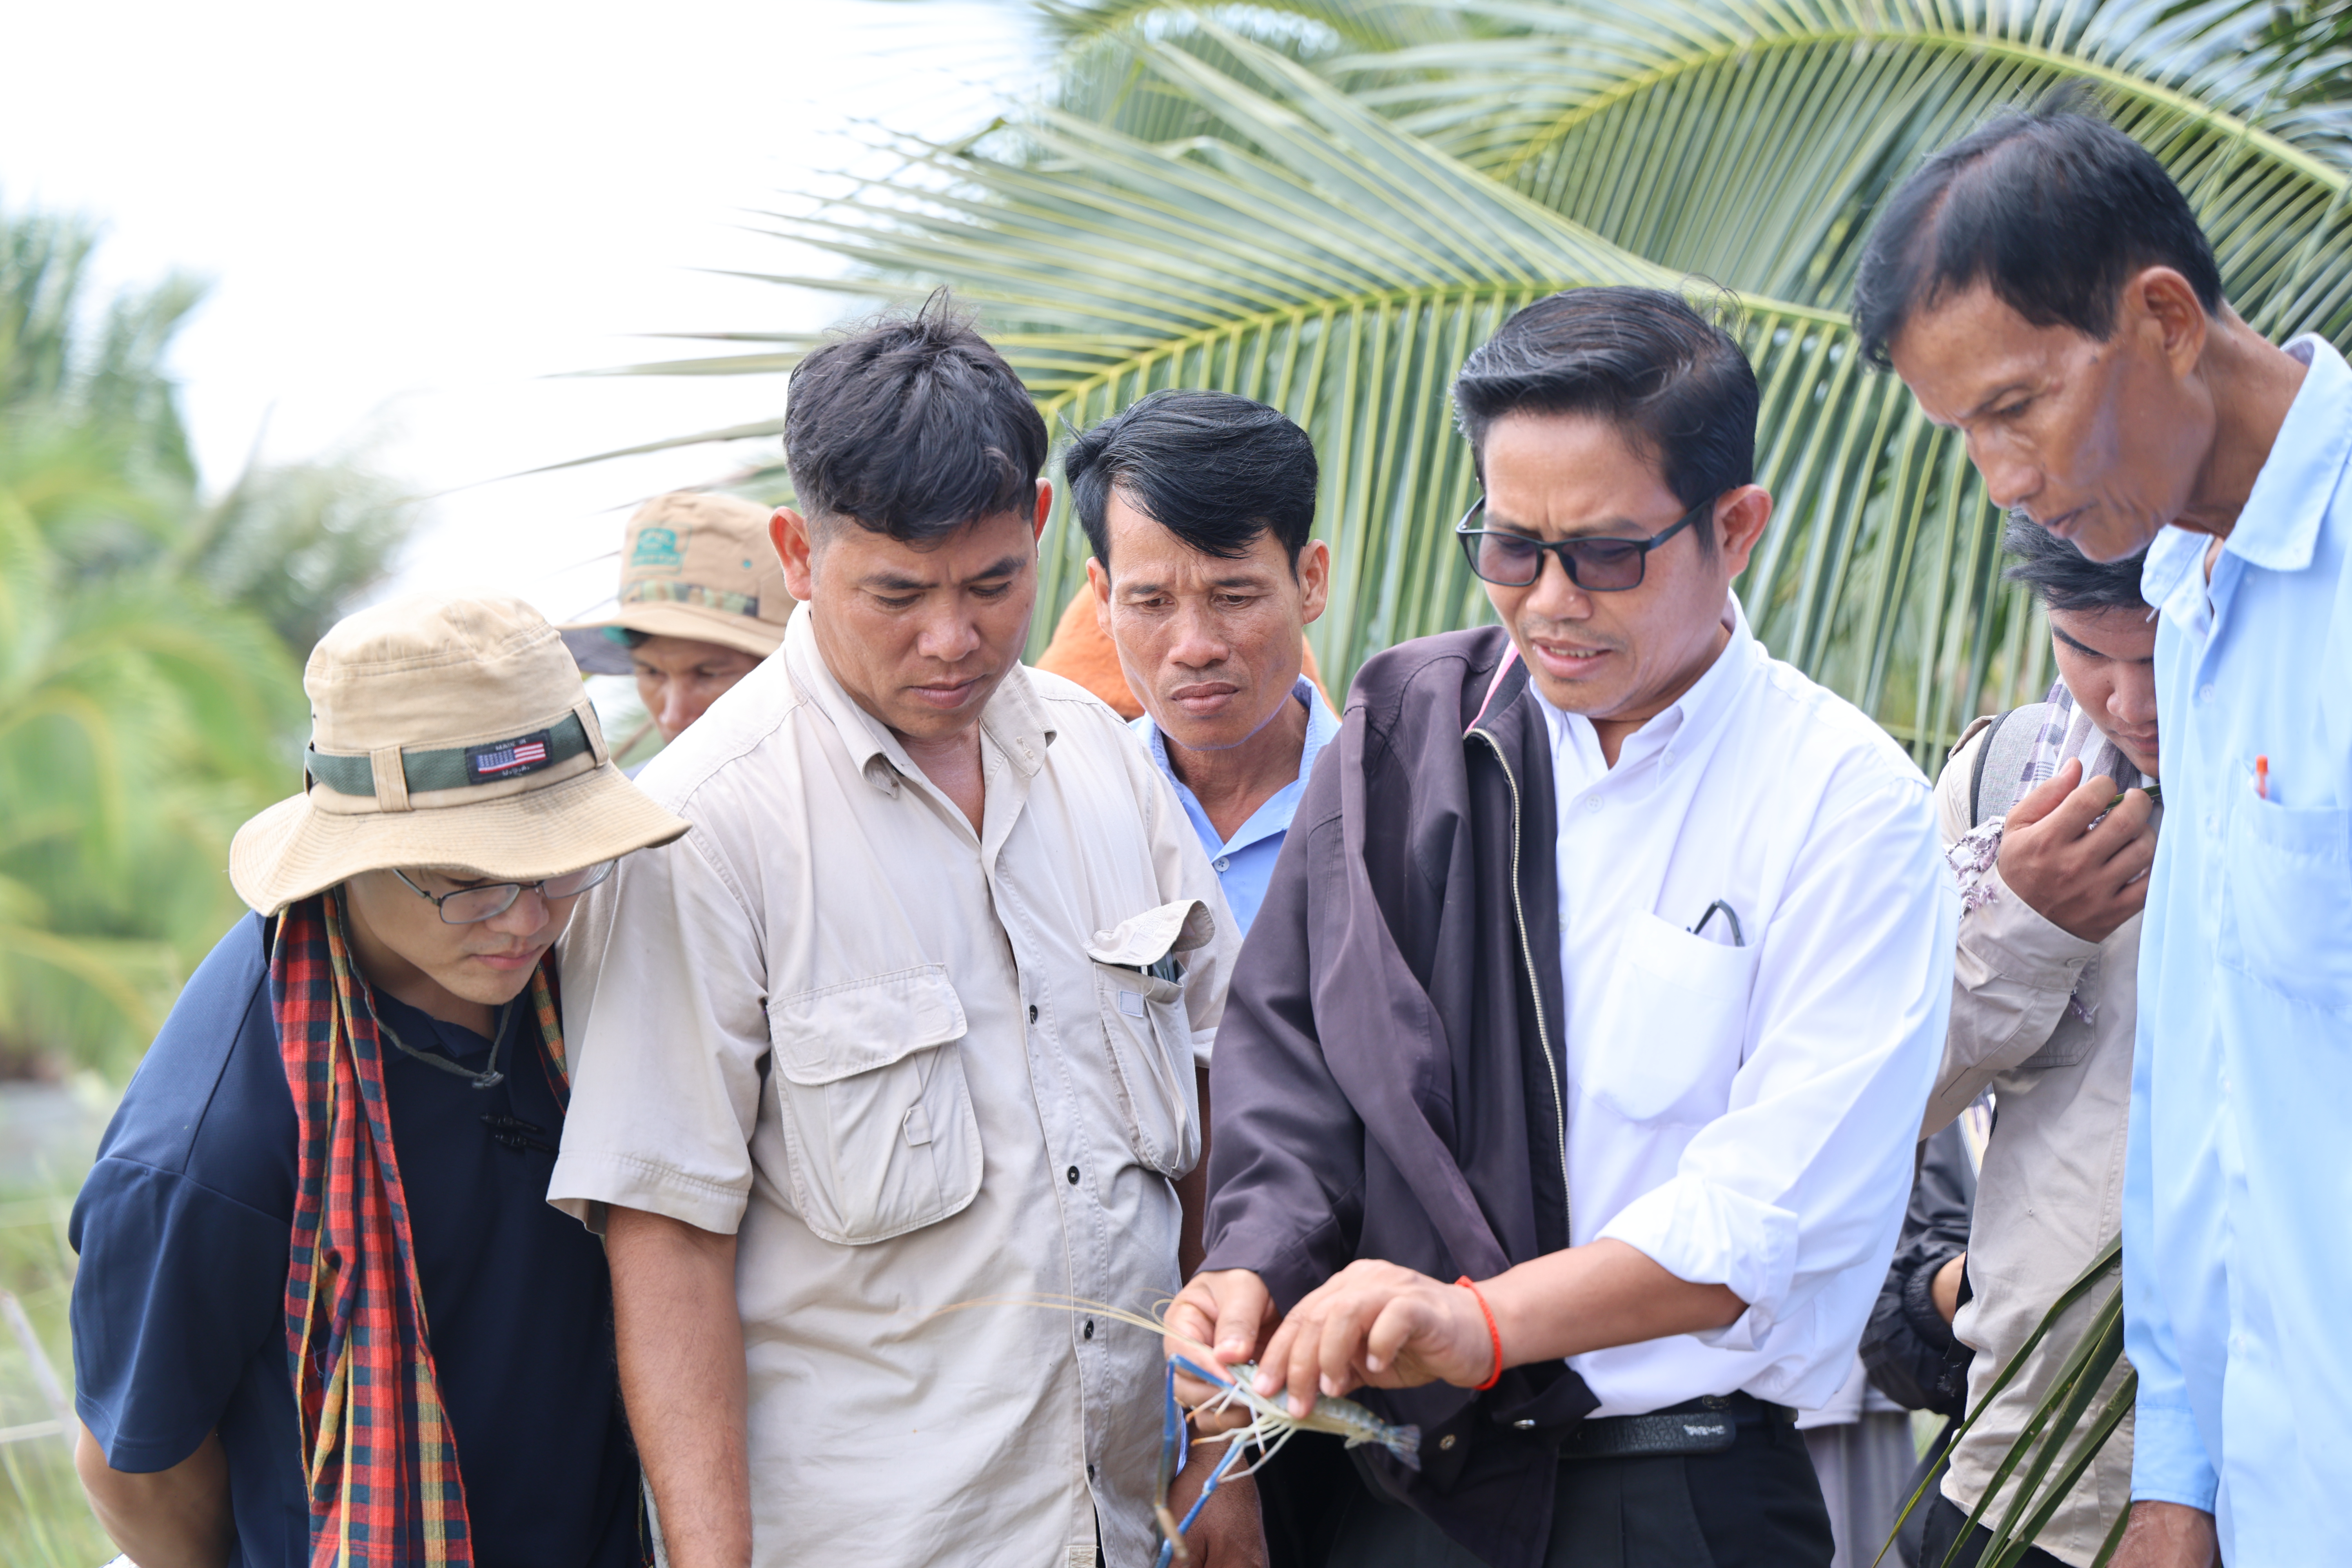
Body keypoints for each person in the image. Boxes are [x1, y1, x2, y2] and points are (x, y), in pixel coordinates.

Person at [1169, 285, 1957, 1568]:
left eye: (1603, 553)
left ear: (1736, 526)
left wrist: (1480, 1322)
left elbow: (1763, 1221)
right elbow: (1295, 1058)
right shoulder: (1406, 728)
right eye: (1509, 547)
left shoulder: (1843, 802)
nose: (1546, 601)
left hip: (1677, 1493)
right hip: (1404, 1499)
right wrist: (1252, 1264)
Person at [545, 302, 1258, 1568]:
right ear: (796, 554)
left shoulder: (1102, 762)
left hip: (1130, 1536)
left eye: (993, 584)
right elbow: (667, 1245)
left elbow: (1216, 1107)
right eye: (897, 594)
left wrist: (1218, 1455)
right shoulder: (703, 831)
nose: (953, 636)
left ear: (1042, 526)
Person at [1854, 100, 2348, 1568]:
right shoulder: (2191, 598)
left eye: (2015, 407)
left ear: (2161, 317)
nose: (2002, 479)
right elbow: (2205, 1098)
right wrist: (2180, 1475)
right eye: (1963, 435)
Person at [68, 593, 689, 1568]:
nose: (527, 918)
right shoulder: (208, 1151)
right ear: (357, 853)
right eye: (471, 877)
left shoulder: (590, 975)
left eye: (560, 861)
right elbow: (133, 1472)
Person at [1911, 527, 2160, 1567]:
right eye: (2083, 651)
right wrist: (2022, 923)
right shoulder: (2003, 779)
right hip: (2031, 1479)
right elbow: (1880, 1101)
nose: (2130, 704)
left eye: (2158, 657)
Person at [1068, 388, 1337, 935]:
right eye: (1151, 603)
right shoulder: (1063, 821)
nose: (1194, 648)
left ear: (1310, 582)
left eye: (1234, 598)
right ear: (1102, 598)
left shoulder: (1403, 810)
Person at [561, 490, 793, 755]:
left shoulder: (842, 788)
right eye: (651, 673)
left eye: (709, 674)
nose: (673, 717)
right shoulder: (641, 794)